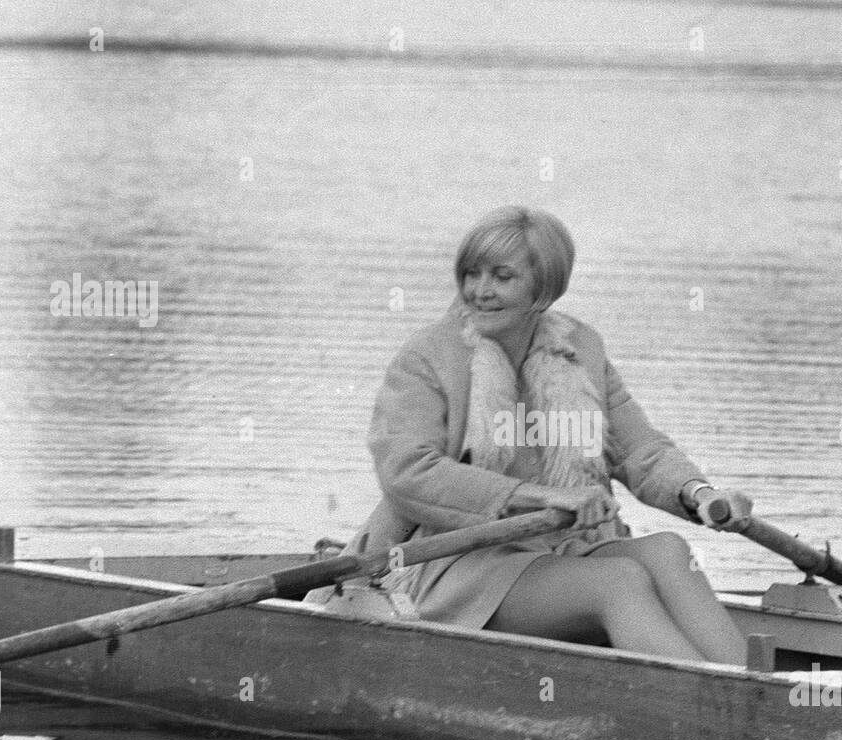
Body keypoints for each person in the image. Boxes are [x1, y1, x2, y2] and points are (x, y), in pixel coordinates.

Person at [319, 206, 755, 665]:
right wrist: (535, 496)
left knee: (669, 550)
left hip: (564, 549)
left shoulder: (580, 349)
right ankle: (720, 711)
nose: (479, 292)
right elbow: (408, 473)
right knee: (620, 581)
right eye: (471, 274)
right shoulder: (429, 358)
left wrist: (700, 493)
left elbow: (640, 449)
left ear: (543, 288)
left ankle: (756, 696)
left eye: (501, 277)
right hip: (456, 565)